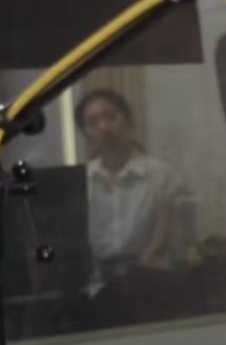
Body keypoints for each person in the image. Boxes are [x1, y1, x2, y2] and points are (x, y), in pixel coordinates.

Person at [75, 88, 186, 284]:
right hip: (97, 282)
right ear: (85, 133)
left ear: (128, 120)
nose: (104, 127)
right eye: (92, 123)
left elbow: (166, 236)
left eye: (111, 117)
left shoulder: (161, 175)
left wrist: (136, 274)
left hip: (153, 277)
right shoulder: (82, 181)